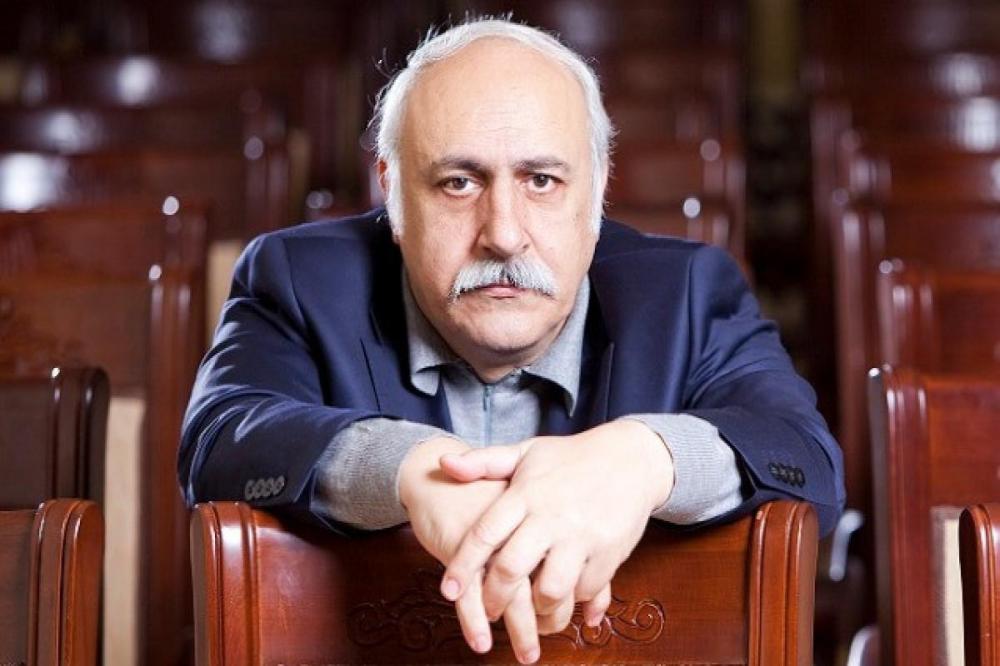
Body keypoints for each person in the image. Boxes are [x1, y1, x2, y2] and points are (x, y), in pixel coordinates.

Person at [179, 17, 844, 665]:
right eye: (458, 182)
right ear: (392, 193)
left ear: (597, 192)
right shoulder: (297, 280)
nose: (503, 234)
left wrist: (644, 458)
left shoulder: (688, 293)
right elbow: (218, 442)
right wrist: (411, 469)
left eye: (541, 181)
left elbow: (807, 462)